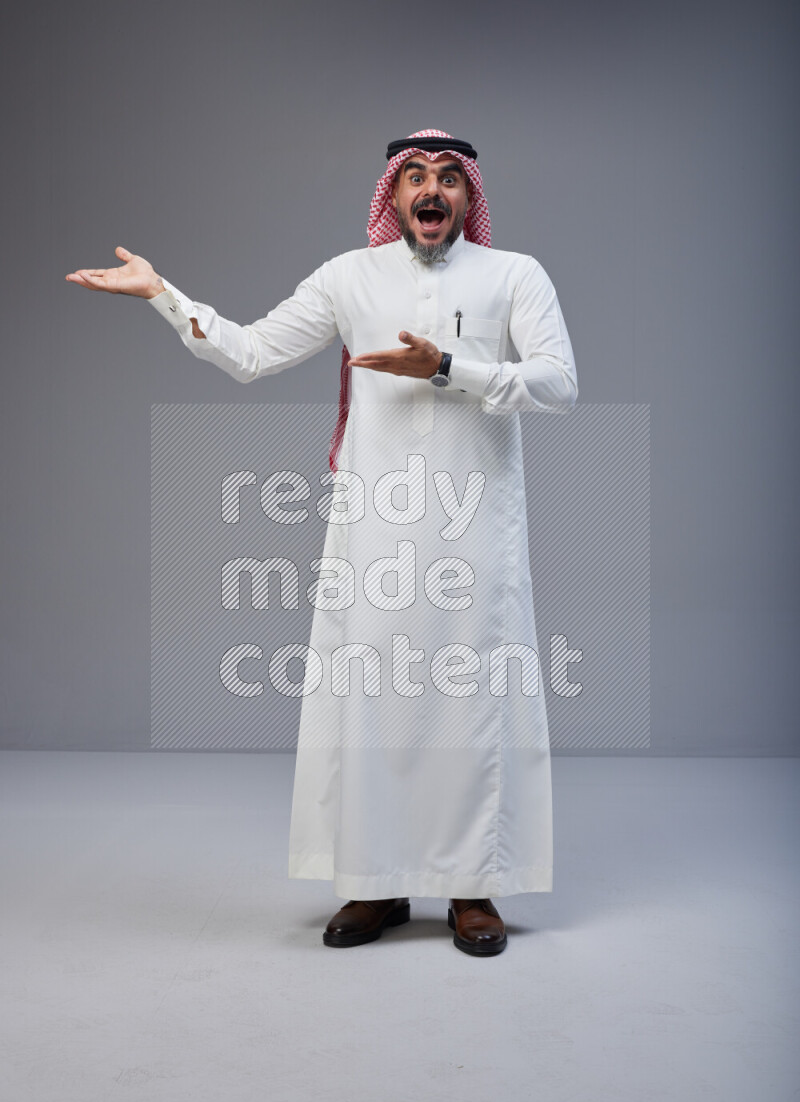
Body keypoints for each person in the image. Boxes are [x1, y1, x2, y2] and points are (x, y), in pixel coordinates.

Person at [66, 129, 578, 958]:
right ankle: (375, 883)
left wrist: (452, 366)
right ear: (394, 192)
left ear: (469, 196)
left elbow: (559, 382)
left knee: (470, 701)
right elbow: (253, 352)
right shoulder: (349, 276)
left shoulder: (514, 275)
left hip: (475, 528)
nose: (432, 190)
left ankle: (472, 886)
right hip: (371, 530)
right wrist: (163, 293)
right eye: (415, 176)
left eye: (449, 177)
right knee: (369, 703)